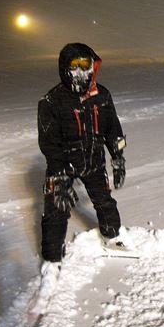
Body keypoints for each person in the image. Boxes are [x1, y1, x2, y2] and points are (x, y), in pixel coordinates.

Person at [37, 42, 127, 263]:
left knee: (105, 201)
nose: (79, 71)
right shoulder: (51, 102)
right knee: (56, 210)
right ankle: (52, 258)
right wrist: (59, 174)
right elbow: (49, 143)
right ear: (65, 68)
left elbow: (112, 128)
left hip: (93, 160)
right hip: (63, 165)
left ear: (92, 66)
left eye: (84, 64)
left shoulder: (102, 95)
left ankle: (112, 236)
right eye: (74, 65)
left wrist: (117, 157)